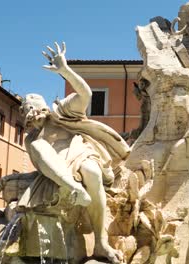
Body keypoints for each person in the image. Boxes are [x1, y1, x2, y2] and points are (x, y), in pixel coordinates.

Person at [21, 42, 130, 263]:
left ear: (45, 107)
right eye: (27, 109)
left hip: (80, 153)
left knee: (93, 172)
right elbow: (39, 165)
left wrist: (65, 70)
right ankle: (74, 189)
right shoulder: (32, 139)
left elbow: (85, 93)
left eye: (35, 107)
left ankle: (100, 242)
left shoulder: (62, 113)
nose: (32, 112)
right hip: (57, 170)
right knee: (38, 146)